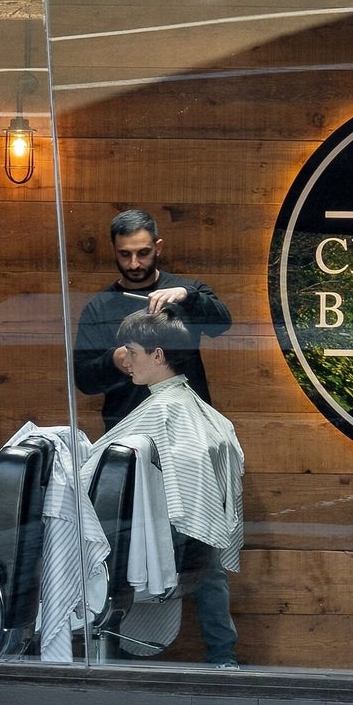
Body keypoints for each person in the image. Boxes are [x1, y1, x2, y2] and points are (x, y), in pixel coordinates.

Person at [94, 311, 248, 669]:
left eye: (131, 351)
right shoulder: (195, 410)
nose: (125, 360)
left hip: (172, 545)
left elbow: (95, 472)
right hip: (198, 551)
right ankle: (223, 655)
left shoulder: (166, 411)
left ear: (158, 355)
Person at [73, 207, 233, 429]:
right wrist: (116, 360)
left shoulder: (189, 291)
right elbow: (84, 380)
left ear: (158, 248)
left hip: (187, 425)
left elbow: (222, 324)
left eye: (143, 253)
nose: (134, 264)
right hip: (128, 426)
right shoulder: (98, 308)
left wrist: (187, 296)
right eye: (125, 254)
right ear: (114, 250)